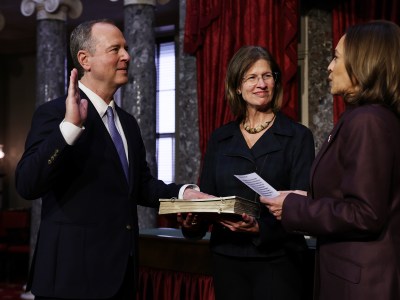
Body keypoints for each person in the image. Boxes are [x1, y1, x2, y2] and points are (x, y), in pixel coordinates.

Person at [15, 19, 208, 300]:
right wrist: (69, 129)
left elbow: (140, 186)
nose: (127, 56)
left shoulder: (128, 123)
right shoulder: (54, 113)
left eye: (127, 48)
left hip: (121, 278)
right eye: (115, 49)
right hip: (71, 281)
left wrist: (183, 194)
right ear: (85, 59)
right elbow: (27, 183)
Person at [261, 20, 400, 300]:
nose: (329, 66)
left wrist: (294, 207)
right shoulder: (364, 117)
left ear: (363, 63)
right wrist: (305, 196)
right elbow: (352, 194)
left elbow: (365, 214)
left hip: (360, 285)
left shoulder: (368, 121)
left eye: (336, 57)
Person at [178, 46, 315, 300]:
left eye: (267, 76)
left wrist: (260, 229)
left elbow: (304, 207)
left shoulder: (298, 137)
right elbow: (208, 198)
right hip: (227, 260)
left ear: (275, 82)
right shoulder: (220, 138)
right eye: (251, 77)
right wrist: (193, 222)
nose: (261, 84)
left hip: (280, 261)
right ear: (237, 87)